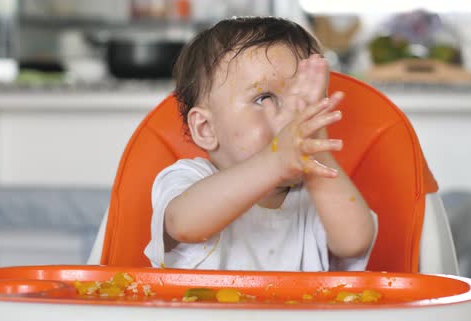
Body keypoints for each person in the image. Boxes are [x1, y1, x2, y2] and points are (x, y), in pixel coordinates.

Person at [144, 16, 377, 271]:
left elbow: (355, 243)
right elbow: (183, 224)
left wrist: (316, 146)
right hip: (200, 311)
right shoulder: (189, 178)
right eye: (264, 98)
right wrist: (275, 160)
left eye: (303, 102)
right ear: (206, 128)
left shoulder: (315, 198)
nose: (291, 116)